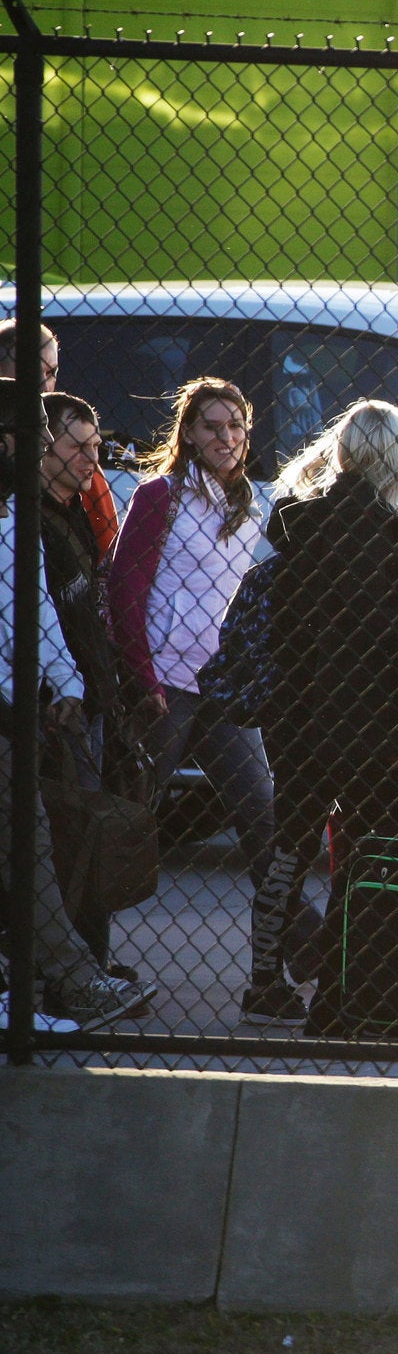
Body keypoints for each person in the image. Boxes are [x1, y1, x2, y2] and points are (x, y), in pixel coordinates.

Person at [252, 400, 398, 1019]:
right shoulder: (389, 531)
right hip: (364, 718)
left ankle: (264, 982)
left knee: (290, 847)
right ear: (396, 455)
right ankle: (351, 979)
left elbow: (339, 608)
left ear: (342, 451)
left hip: (296, 707)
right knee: (370, 844)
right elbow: (382, 622)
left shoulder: (297, 521)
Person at [104, 378, 285, 1021]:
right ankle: (85, 962)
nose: (226, 439)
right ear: (187, 433)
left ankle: (280, 974)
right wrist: (142, 678)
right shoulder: (160, 496)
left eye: (235, 426)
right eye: (211, 426)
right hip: (164, 689)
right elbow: (126, 589)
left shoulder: (253, 502)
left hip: (221, 689)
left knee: (265, 817)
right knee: (126, 817)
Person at [0, 397, 154, 1028]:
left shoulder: (16, 521)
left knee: (37, 840)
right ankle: (70, 976)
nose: (45, 453)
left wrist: (65, 682)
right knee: (30, 844)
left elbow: (41, 617)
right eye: (38, 439)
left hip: (21, 709)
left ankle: (48, 980)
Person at [39, 393, 153, 969]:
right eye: (76, 446)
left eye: (95, 446)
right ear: (42, 446)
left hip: (94, 688)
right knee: (70, 835)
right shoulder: (29, 518)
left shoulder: (78, 510)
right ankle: (75, 965)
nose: (91, 459)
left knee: (96, 834)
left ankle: (93, 958)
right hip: (55, 698)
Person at [0, 318, 117, 560]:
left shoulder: (82, 457)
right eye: (31, 370)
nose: (43, 383)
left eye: (51, 372)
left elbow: (107, 550)